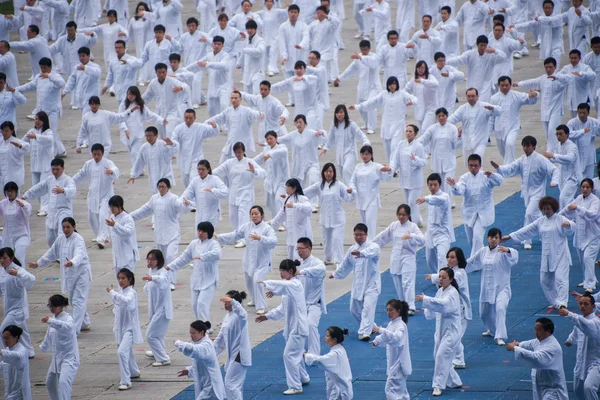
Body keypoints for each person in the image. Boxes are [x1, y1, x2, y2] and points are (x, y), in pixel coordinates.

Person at [503, 196, 574, 309]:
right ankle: (555, 301)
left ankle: (563, 303)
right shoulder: (540, 221)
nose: (546, 211)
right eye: (544, 209)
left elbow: (571, 227)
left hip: (561, 254)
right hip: (546, 256)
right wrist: (510, 236)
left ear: (554, 208)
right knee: (544, 281)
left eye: (548, 209)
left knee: (561, 279)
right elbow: (528, 230)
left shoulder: (560, 219)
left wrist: (569, 225)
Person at [491, 135, 559, 250]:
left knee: (528, 213)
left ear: (533, 147)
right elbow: (511, 168)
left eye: (528, 146)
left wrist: (554, 181)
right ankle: (546, 233)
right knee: (536, 216)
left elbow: (554, 170)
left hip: (538, 193)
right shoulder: (522, 159)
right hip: (527, 193)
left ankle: (527, 240)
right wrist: (499, 168)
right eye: (524, 146)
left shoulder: (541, 159)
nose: (526, 148)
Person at [256, 259, 310, 395]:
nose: (280, 273)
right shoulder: (288, 290)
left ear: (290, 271)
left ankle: (295, 386)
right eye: (279, 271)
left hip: (298, 328)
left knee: (289, 355)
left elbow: (284, 285)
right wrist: (267, 316)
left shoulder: (296, 284)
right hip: (292, 328)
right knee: (296, 354)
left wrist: (266, 282)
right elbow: (281, 309)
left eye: (282, 271)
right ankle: (303, 377)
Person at [30, 218, 92, 333]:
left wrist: (72, 262)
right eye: (63, 227)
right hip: (71, 274)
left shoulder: (78, 239)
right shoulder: (60, 239)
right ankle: (85, 322)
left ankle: (74, 329)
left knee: (78, 301)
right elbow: (52, 253)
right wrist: (38, 263)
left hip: (82, 274)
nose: (65, 229)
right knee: (74, 300)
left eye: (68, 227)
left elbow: (79, 254)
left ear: (74, 227)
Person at [216, 206, 277, 315]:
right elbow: (234, 235)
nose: (254, 216)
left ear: (261, 215)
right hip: (249, 260)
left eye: (256, 214)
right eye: (252, 214)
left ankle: (261, 306)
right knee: (249, 281)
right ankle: (254, 300)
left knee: (257, 281)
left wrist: (260, 238)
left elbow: (273, 242)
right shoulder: (246, 227)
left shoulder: (267, 228)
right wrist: (219, 237)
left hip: (262, 261)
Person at [131, 178, 189, 289]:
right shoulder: (154, 199)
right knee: (160, 259)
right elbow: (144, 210)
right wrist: (130, 217)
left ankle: (171, 281)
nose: (161, 189)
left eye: (163, 187)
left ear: (168, 187)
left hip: (172, 234)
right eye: (159, 187)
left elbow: (181, 206)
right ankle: (158, 279)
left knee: (171, 256)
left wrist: (185, 205)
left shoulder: (173, 198)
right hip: (159, 235)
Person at [465, 229, 518, 347]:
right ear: (487, 238)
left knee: (500, 308)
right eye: (491, 237)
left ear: (499, 239)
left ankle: (500, 336)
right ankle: (492, 329)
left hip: (502, 288)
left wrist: (508, 250)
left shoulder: (503, 252)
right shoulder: (483, 251)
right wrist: (457, 265)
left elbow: (515, 257)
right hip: (486, 287)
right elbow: (471, 262)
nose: (493, 239)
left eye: (496, 237)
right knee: (484, 313)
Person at [415, 267, 463, 396]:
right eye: (439, 277)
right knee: (438, 356)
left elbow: (444, 306)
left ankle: (438, 385)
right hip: (440, 331)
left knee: (441, 356)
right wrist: (426, 307)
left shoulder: (453, 293)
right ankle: (454, 380)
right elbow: (432, 312)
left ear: (451, 279)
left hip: (451, 332)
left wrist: (426, 300)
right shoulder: (440, 291)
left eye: (444, 277)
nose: (440, 279)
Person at [330, 223, 381, 341]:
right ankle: (372, 327)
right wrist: (335, 274)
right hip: (358, 284)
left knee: (368, 308)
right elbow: (345, 265)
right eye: (356, 235)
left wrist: (361, 253)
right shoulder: (352, 249)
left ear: (366, 234)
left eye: (361, 235)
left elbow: (371, 252)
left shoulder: (373, 247)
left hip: (371, 284)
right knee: (354, 310)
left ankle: (364, 332)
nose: (358, 237)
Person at [447, 154, 503, 257]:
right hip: (469, 213)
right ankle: (482, 257)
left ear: (480, 165)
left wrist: (493, 175)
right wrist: (454, 186)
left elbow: (499, 181)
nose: (473, 168)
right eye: (471, 165)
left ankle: (473, 262)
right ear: (468, 165)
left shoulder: (486, 176)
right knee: (472, 240)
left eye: (476, 165)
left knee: (477, 237)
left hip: (483, 212)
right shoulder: (465, 177)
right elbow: (460, 190)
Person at [373, 205, 425, 315]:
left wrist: (411, 236)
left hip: (408, 257)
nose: (401, 217)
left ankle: (410, 305)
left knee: (408, 282)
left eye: (404, 214)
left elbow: (422, 240)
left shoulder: (412, 226)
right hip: (396, 257)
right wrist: (371, 245)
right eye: (399, 214)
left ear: (408, 215)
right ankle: (402, 305)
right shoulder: (394, 225)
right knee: (398, 282)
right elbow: (383, 236)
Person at [167, 221, 221, 325]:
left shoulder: (213, 244)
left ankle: (206, 327)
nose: (200, 233)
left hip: (209, 280)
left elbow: (217, 254)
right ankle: (201, 326)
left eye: (203, 231)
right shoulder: (194, 244)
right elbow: (184, 258)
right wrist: (170, 266)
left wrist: (202, 256)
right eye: (199, 230)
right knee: (195, 305)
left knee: (202, 304)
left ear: (209, 232)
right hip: (196, 280)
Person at [214, 142, 266, 247]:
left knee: (243, 216)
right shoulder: (229, 163)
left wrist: (254, 171)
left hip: (246, 194)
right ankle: (237, 236)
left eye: (240, 152)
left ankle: (243, 239)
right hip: (233, 194)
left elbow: (263, 173)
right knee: (233, 217)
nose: (238, 154)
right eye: (236, 152)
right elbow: (217, 171)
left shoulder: (249, 162)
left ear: (244, 151)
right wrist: (207, 174)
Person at [351, 76, 416, 161]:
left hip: (398, 126)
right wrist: (358, 106)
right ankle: (392, 168)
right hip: (386, 126)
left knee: (394, 147)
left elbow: (414, 98)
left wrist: (412, 101)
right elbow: (372, 101)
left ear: (397, 84)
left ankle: (394, 168)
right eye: (390, 84)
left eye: (394, 84)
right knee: (388, 150)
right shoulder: (384, 94)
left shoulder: (402, 94)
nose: (392, 86)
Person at [513, 57, 569, 152]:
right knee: (547, 133)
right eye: (546, 67)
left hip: (555, 111)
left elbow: (569, 79)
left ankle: (552, 152)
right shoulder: (543, 78)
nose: (548, 69)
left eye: (550, 67)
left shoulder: (560, 79)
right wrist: (519, 84)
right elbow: (532, 82)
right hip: (545, 110)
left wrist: (558, 77)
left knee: (552, 132)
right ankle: (552, 151)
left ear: (555, 67)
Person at [506, 318, 569, 400]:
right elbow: (529, 344)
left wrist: (515, 348)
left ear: (548, 331)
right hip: (542, 387)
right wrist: (518, 344)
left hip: (553, 390)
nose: (536, 333)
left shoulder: (552, 347)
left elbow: (536, 357)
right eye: (536, 329)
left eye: (539, 330)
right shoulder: (540, 341)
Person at [16, 58, 66, 157]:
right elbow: (29, 86)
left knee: (51, 132)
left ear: (50, 67)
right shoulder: (39, 77)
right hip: (42, 110)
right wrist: (16, 89)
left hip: (53, 110)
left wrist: (49, 76)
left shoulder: (55, 77)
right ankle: (61, 151)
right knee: (45, 132)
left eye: (45, 67)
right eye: (41, 67)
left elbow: (61, 83)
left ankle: (54, 153)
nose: (43, 70)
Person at [72, 144, 119, 248]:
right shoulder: (88, 164)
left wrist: (111, 171)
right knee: (92, 218)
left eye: (99, 154)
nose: (96, 156)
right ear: (92, 153)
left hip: (106, 195)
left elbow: (116, 169)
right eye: (94, 154)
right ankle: (101, 235)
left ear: (102, 153)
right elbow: (80, 175)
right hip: (93, 195)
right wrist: (70, 182)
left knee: (103, 216)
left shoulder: (107, 163)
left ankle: (101, 239)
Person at [304, 163, 352, 265]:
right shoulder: (319, 185)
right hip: (325, 218)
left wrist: (351, 192)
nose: (328, 174)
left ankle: (339, 261)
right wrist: (292, 193)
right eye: (326, 171)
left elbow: (348, 198)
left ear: (334, 173)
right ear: (323, 173)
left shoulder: (339, 185)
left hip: (338, 218)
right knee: (327, 240)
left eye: (330, 171)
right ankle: (328, 258)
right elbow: (305, 192)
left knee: (336, 239)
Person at [22, 158, 76, 247]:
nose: (55, 172)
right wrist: (25, 195)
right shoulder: (50, 180)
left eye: (57, 169)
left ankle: (64, 253)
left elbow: (73, 191)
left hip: (64, 211)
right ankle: (55, 254)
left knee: (61, 234)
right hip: (52, 211)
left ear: (63, 168)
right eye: (53, 169)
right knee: (50, 238)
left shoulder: (68, 180)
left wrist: (63, 190)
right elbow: (38, 188)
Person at [559, 179, 600, 293]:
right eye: (583, 187)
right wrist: (557, 217)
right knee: (582, 259)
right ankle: (587, 279)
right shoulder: (579, 198)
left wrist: (577, 208)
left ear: (592, 188)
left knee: (588, 258)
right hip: (580, 235)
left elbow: (592, 214)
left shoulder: (596, 201)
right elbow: (568, 209)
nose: (585, 189)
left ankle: (590, 284)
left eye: (587, 187)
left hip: (593, 235)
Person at [278, 114, 327, 209]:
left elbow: (325, 138)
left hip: (311, 163)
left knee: (313, 179)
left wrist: (321, 132)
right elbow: (280, 139)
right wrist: (268, 141)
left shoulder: (311, 133)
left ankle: (314, 204)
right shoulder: (293, 135)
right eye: (296, 122)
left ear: (305, 123)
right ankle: (302, 203)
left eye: (300, 122)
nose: (298, 124)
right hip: (298, 165)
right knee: (300, 186)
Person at [417, 108, 462, 207]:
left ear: (446, 116)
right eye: (439, 116)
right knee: (438, 183)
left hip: (448, 161)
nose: (441, 118)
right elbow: (424, 139)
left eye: (443, 116)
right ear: (436, 117)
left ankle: (449, 202)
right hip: (437, 160)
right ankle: (439, 201)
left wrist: (459, 136)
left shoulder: (452, 128)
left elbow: (457, 145)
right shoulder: (432, 128)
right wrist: (413, 144)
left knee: (447, 183)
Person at [107, 269, 143, 391]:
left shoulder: (131, 293)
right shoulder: (121, 291)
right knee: (127, 352)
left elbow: (126, 301)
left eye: (123, 278)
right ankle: (134, 371)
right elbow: (117, 308)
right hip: (119, 328)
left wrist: (112, 293)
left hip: (129, 329)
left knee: (121, 352)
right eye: (119, 278)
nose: (121, 280)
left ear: (130, 279)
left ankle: (126, 381)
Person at [335, 40, 381, 135]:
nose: (364, 51)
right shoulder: (357, 58)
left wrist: (361, 57)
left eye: (366, 49)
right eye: (362, 49)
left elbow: (372, 63)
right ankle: (367, 123)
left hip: (374, 87)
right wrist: (340, 78)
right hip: (362, 85)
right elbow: (351, 69)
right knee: (361, 106)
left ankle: (372, 127)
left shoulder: (374, 57)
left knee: (371, 105)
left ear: (369, 48)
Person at [490, 76, 539, 164]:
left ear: (510, 85)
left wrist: (535, 94)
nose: (504, 87)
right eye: (502, 85)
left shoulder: (517, 95)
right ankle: (512, 164)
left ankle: (508, 167)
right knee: (503, 151)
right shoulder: (494, 98)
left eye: (506, 85)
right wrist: (489, 130)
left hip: (513, 127)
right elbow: (491, 115)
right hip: (499, 128)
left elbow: (530, 99)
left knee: (509, 144)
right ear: (498, 86)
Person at [39, 294, 80, 400]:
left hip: (69, 358)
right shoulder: (53, 320)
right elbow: (49, 336)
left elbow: (67, 327)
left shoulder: (68, 319)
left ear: (61, 306)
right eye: (50, 306)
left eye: (53, 306)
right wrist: (43, 346)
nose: (51, 308)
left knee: (63, 383)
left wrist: (50, 321)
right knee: (50, 383)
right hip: (56, 358)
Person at [560, 294, 600, 400]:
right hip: (580, 363)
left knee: (589, 387)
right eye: (581, 303)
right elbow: (576, 332)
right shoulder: (580, 322)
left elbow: (586, 326)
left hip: (595, 364)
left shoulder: (596, 322)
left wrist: (569, 314)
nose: (582, 306)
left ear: (593, 306)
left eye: (586, 304)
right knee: (578, 391)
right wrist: (569, 340)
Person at [347, 145, 393, 237]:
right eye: (363, 154)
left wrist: (389, 170)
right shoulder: (358, 167)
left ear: (371, 155)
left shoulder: (376, 166)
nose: (364, 156)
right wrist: (352, 189)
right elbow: (352, 180)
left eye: (367, 154)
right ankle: (364, 241)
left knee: (370, 222)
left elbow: (387, 177)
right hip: (361, 199)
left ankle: (371, 241)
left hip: (372, 199)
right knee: (363, 223)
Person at [370, 299, 411, 400]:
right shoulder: (392, 324)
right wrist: (376, 341)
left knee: (390, 389)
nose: (388, 312)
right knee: (401, 390)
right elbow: (386, 337)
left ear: (398, 311)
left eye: (391, 310)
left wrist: (381, 330)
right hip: (394, 362)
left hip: (399, 363)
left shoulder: (401, 326)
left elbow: (396, 338)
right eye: (387, 310)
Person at [214, 291, 252, 399]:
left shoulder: (240, 315)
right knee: (234, 385)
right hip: (232, 355)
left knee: (231, 384)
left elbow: (242, 313)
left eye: (227, 301)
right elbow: (220, 338)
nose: (225, 304)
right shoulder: (227, 316)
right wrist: (211, 352)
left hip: (239, 354)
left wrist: (232, 301)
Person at [174, 320, 226, 399]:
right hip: (205, 384)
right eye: (190, 333)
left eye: (193, 333)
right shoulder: (200, 343)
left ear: (201, 333)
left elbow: (194, 350)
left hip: (211, 386)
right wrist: (189, 370)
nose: (191, 335)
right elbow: (200, 364)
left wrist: (179, 343)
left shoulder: (206, 345)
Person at [207, 91, 262, 164]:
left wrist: (260, 115)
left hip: (242, 144)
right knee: (222, 163)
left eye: (236, 98)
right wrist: (207, 123)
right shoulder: (228, 111)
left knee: (242, 165)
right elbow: (218, 117)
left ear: (240, 99)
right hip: (231, 142)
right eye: (232, 98)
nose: (233, 100)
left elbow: (256, 114)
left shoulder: (246, 111)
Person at [446, 35, 506, 102]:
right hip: (472, 84)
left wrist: (495, 50)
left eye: (485, 45)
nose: (483, 48)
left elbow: (503, 58)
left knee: (483, 105)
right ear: (477, 45)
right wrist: (445, 62)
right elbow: (458, 60)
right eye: (481, 45)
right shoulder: (470, 54)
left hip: (485, 85)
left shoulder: (491, 56)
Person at [293, 237, 327, 355]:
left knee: (311, 325)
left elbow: (321, 270)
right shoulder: (298, 264)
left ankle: (315, 353)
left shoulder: (317, 263)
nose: (299, 251)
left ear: (309, 248)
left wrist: (302, 272)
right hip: (301, 303)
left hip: (314, 303)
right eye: (297, 249)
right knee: (300, 328)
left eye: (301, 248)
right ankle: (304, 350)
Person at [448, 88, 501, 163]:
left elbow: (499, 112)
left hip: (481, 141)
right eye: (469, 96)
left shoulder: (484, 106)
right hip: (467, 142)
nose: (471, 98)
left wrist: (493, 108)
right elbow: (452, 119)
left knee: (477, 161)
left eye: (473, 96)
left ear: (477, 96)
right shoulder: (462, 108)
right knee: (468, 164)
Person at [417, 173, 455, 273]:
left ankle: (443, 280)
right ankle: (437, 277)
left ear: (439, 185)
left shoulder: (444, 196)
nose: (433, 187)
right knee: (430, 260)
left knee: (442, 258)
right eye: (430, 185)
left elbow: (438, 200)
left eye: (435, 185)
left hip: (443, 233)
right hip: (430, 233)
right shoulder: (429, 197)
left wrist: (425, 198)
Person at [0, 248, 35, 358]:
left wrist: (19, 274)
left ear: (11, 258)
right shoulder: (3, 271)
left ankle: (3, 356)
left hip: (17, 310)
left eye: (4, 258)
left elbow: (32, 279)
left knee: (2, 331)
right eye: (0, 258)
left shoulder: (17, 270)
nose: (2, 260)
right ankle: (29, 352)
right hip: (10, 307)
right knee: (22, 331)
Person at [321, 105, 369, 184]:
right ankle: (349, 190)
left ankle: (349, 192)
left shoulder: (351, 124)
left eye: (341, 112)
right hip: (339, 155)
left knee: (346, 170)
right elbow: (330, 137)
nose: (339, 114)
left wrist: (366, 143)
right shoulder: (334, 124)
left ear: (345, 113)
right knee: (343, 174)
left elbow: (360, 134)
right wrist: (326, 147)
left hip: (350, 153)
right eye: (337, 112)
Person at [118, 87, 166, 167]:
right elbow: (120, 118)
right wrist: (125, 129)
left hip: (138, 133)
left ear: (136, 95)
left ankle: (136, 169)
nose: (130, 96)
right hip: (128, 133)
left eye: (132, 94)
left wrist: (161, 119)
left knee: (135, 152)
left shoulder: (140, 106)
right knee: (131, 152)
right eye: (129, 94)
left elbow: (150, 115)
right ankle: (138, 168)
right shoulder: (123, 105)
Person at [141, 250, 173, 367]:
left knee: (150, 335)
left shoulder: (163, 272)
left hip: (163, 309)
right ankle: (158, 352)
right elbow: (148, 288)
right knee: (158, 334)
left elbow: (163, 281)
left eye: (152, 259)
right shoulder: (151, 271)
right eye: (148, 259)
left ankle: (163, 359)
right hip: (154, 307)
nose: (149, 261)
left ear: (158, 260)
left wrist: (152, 278)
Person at [389, 125, 427, 226]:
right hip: (404, 179)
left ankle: (412, 225)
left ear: (415, 133)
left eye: (410, 131)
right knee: (408, 203)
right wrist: (392, 169)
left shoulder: (418, 146)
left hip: (415, 181)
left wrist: (415, 159)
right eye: (407, 131)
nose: (408, 133)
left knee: (412, 203)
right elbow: (395, 159)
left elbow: (424, 162)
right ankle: (418, 220)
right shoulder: (401, 144)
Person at [187, 36, 232, 118]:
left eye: (219, 44)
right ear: (212, 44)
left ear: (223, 45)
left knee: (224, 106)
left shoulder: (226, 56)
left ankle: (226, 126)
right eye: (215, 44)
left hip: (223, 87)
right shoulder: (209, 55)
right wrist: (184, 70)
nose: (217, 46)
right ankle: (215, 127)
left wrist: (207, 64)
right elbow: (198, 63)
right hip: (212, 87)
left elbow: (222, 65)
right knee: (211, 111)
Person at [19, 114, 56, 214]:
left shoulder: (48, 132)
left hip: (46, 166)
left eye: (39, 119)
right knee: (35, 186)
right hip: (35, 165)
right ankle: (44, 205)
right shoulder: (31, 131)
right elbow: (23, 142)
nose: (37, 121)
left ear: (44, 121)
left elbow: (49, 140)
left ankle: (45, 208)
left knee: (43, 187)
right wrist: (18, 145)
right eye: (36, 119)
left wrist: (36, 136)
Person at [304, 326, 353, 399]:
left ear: (334, 339)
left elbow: (320, 360)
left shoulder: (335, 353)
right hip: (341, 388)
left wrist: (307, 355)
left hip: (340, 392)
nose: (325, 338)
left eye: (327, 336)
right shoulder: (340, 349)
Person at [142, 63, 188, 139]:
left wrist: (181, 87)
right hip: (159, 114)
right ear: (156, 72)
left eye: (163, 72)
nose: (161, 75)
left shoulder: (172, 81)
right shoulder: (153, 83)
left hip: (172, 112)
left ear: (166, 72)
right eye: (159, 72)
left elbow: (186, 86)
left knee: (169, 133)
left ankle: (172, 148)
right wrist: (137, 102)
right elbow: (147, 96)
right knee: (163, 136)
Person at [270, 178, 313, 259]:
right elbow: (281, 214)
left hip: (300, 233)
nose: (286, 189)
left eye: (288, 187)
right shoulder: (287, 199)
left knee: (299, 258)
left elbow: (309, 208)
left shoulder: (302, 198)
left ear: (294, 188)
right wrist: (271, 225)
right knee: (290, 258)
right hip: (291, 235)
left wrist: (295, 205)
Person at [271, 61, 320, 129]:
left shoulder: (310, 78)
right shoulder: (292, 80)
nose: (298, 70)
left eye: (300, 68)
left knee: (310, 128)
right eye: (296, 69)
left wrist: (303, 78)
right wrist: (268, 88)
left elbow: (315, 79)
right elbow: (281, 85)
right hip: (299, 110)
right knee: (300, 129)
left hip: (310, 109)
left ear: (305, 69)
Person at [544, 124, 582, 209]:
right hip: (562, 176)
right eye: (557, 134)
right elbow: (558, 159)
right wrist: (549, 158)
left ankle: (565, 219)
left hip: (573, 177)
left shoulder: (572, 146)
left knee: (563, 199)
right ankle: (573, 218)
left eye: (560, 134)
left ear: (567, 135)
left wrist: (553, 156)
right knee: (570, 199)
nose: (558, 136)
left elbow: (570, 158)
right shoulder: (558, 145)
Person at [181, 160, 229, 227]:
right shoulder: (195, 181)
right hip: (199, 214)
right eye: (199, 169)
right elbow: (187, 193)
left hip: (212, 213)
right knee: (198, 235)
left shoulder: (215, 179)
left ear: (208, 169)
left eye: (203, 169)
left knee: (208, 235)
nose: (200, 171)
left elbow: (226, 192)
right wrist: (184, 201)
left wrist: (213, 191)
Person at [277, 4, 309, 106]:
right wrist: (284, 55)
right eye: (292, 12)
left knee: (300, 79)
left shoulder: (303, 25)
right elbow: (281, 42)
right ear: (288, 13)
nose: (293, 14)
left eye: (295, 12)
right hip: (288, 58)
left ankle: (302, 99)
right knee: (289, 80)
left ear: (298, 14)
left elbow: (306, 37)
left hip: (300, 56)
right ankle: (292, 100)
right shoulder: (283, 27)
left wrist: (301, 45)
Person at [129, 126, 177, 193]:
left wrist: (172, 144)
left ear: (156, 135)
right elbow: (139, 161)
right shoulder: (144, 147)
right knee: (155, 195)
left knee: (165, 196)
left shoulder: (163, 144)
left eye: (150, 136)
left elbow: (174, 151)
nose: (148, 138)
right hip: (153, 177)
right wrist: (133, 174)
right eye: (147, 136)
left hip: (165, 175)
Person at [254, 131, 290, 220]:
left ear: (276, 138)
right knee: (269, 203)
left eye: (271, 138)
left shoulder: (282, 147)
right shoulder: (266, 149)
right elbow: (259, 159)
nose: (269, 141)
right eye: (267, 139)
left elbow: (283, 152)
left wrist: (270, 154)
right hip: (269, 181)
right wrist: (247, 162)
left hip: (281, 181)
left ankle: (282, 222)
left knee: (278, 200)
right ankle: (275, 220)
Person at [105, 195, 140, 276]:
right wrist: (108, 238)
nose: (112, 209)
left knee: (127, 280)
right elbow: (112, 234)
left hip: (127, 256)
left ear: (120, 206)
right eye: (110, 207)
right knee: (120, 280)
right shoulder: (112, 217)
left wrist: (115, 225)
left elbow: (128, 233)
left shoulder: (127, 218)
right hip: (117, 256)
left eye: (114, 207)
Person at [0, 182, 31, 266]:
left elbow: (28, 213)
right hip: (8, 235)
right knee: (6, 258)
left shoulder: (23, 203)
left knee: (19, 256)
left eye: (11, 191)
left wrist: (22, 206)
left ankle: (21, 275)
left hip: (21, 235)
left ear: (16, 192)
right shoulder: (3, 203)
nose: (9, 193)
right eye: (8, 191)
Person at [61, 46, 101, 112]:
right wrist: (65, 92)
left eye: (83, 56)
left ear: (88, 56)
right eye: (80, 56)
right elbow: (72, 80)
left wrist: (85, 68)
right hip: (80, 99)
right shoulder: (77, 67)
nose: (81, 58)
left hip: (91, 100)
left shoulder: (95, 66)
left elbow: (96, 73)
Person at [566, 103, 600, 180]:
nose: (581, 115)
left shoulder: (593, 122)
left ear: (588, 113)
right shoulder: (572, 122)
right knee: (576, 180)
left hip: (589, 156)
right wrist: (582, 131)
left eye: (584, 113)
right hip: (577, 155)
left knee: (589, 180)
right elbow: (568, 134)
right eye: (580, 113)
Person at [404, 60, 439, 133]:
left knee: (425, 129)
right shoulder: (414, 78)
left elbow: (436, 84)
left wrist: (422, 81)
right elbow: (406, 90)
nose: (421, 70)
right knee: (421, 131)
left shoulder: (430, 77)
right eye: (419, 68)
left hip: (430, 109)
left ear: (426, 68)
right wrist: (408, 100)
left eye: (423, 68)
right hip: (419, 108)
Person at [0, 325, 31, 400]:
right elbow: (3, 365)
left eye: (7, 338)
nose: (5, 341)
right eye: (4, 338)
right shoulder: (8, 349)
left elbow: (18, 356)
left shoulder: (22, 350)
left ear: (16, 338)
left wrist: (1, 352)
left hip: (19, 390)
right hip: (11, 389)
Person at [236, 20, 266, 95]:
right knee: (247, 96)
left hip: (257, 72)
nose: (249, 31)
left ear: (255, 29)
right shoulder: (246, 40)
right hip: (247, 72)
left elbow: (259, 51)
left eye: (251, 29)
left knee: (256, 95)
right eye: (248, 29)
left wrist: (247, 50)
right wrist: (239, 63)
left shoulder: (260, 41)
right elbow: (243, 53)